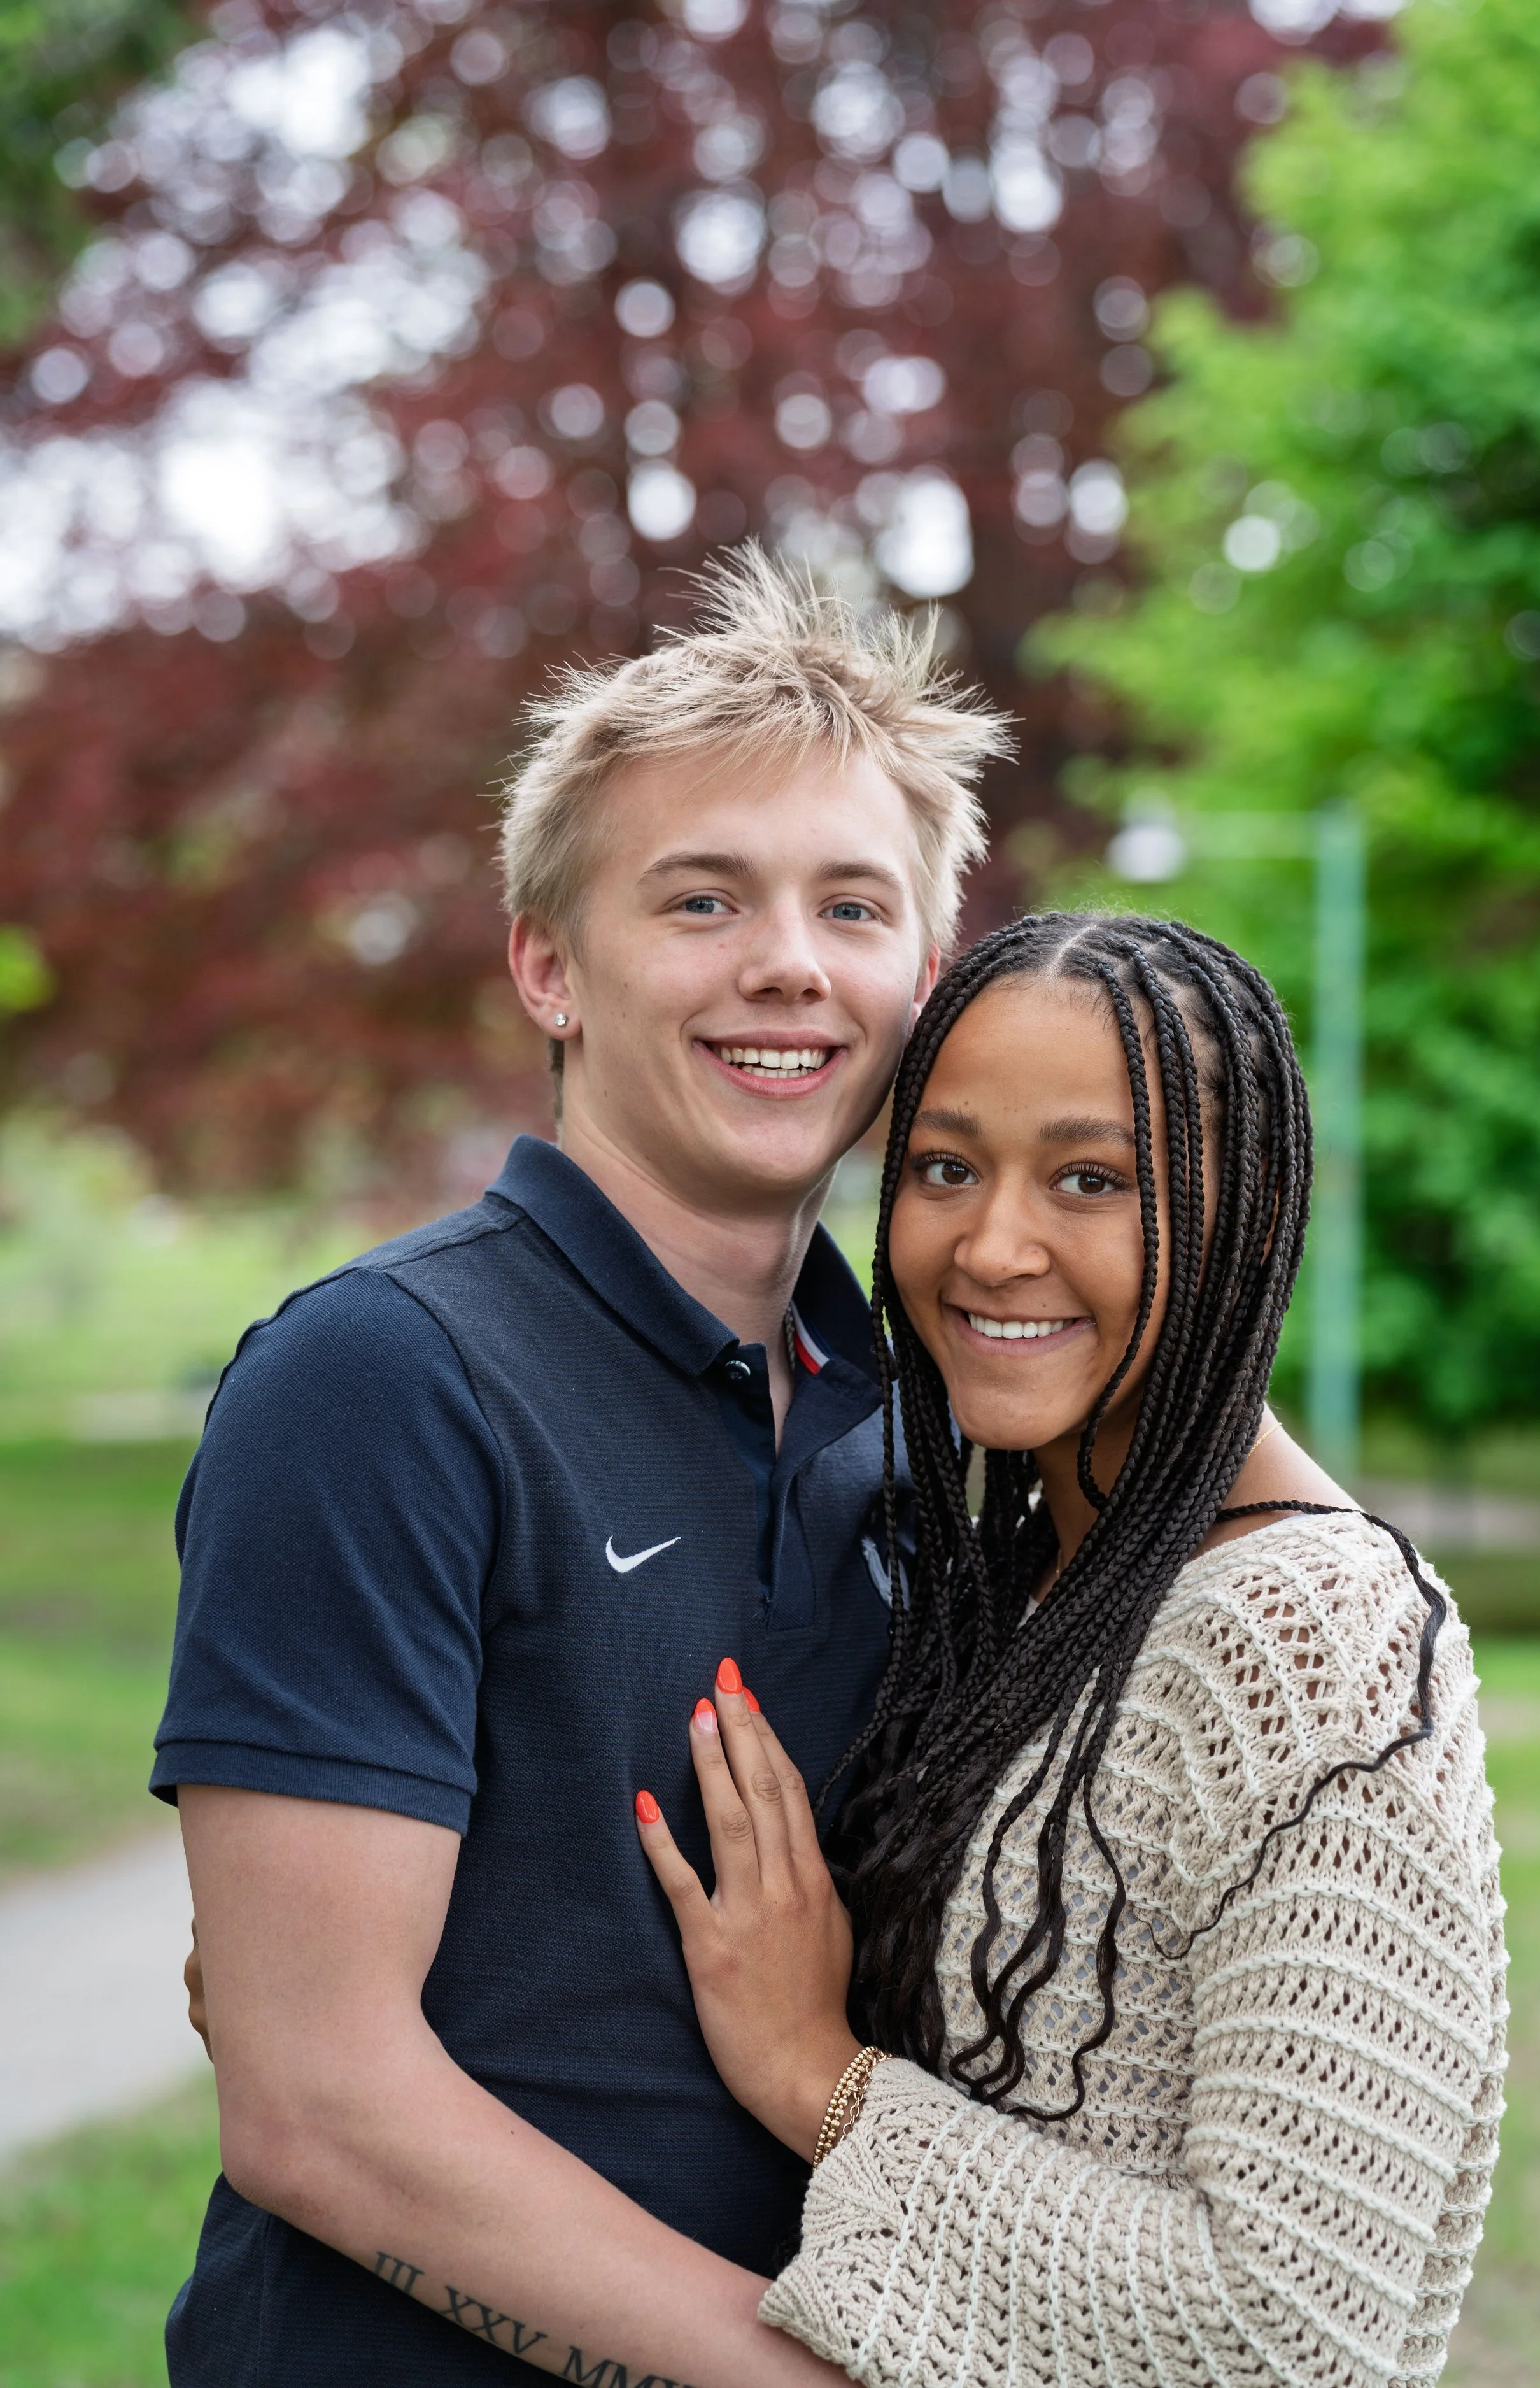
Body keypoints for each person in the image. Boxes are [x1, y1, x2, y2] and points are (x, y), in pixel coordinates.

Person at [153, 550, 1010, 2387]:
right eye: (699, 898)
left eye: (850, 906)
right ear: (550, 960)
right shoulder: (382, 1374)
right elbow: (313, 2102)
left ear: (920, 979)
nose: (786, 958)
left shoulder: (916, 1417)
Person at [637, 909, 1507, 2388]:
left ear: (1238, 1217)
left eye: (1089, 1180)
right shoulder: (1030, 1574)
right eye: (945, 1168)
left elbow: (1292, 2327)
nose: (991, 1245)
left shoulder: (1308, 1640)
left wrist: (819, 2084)